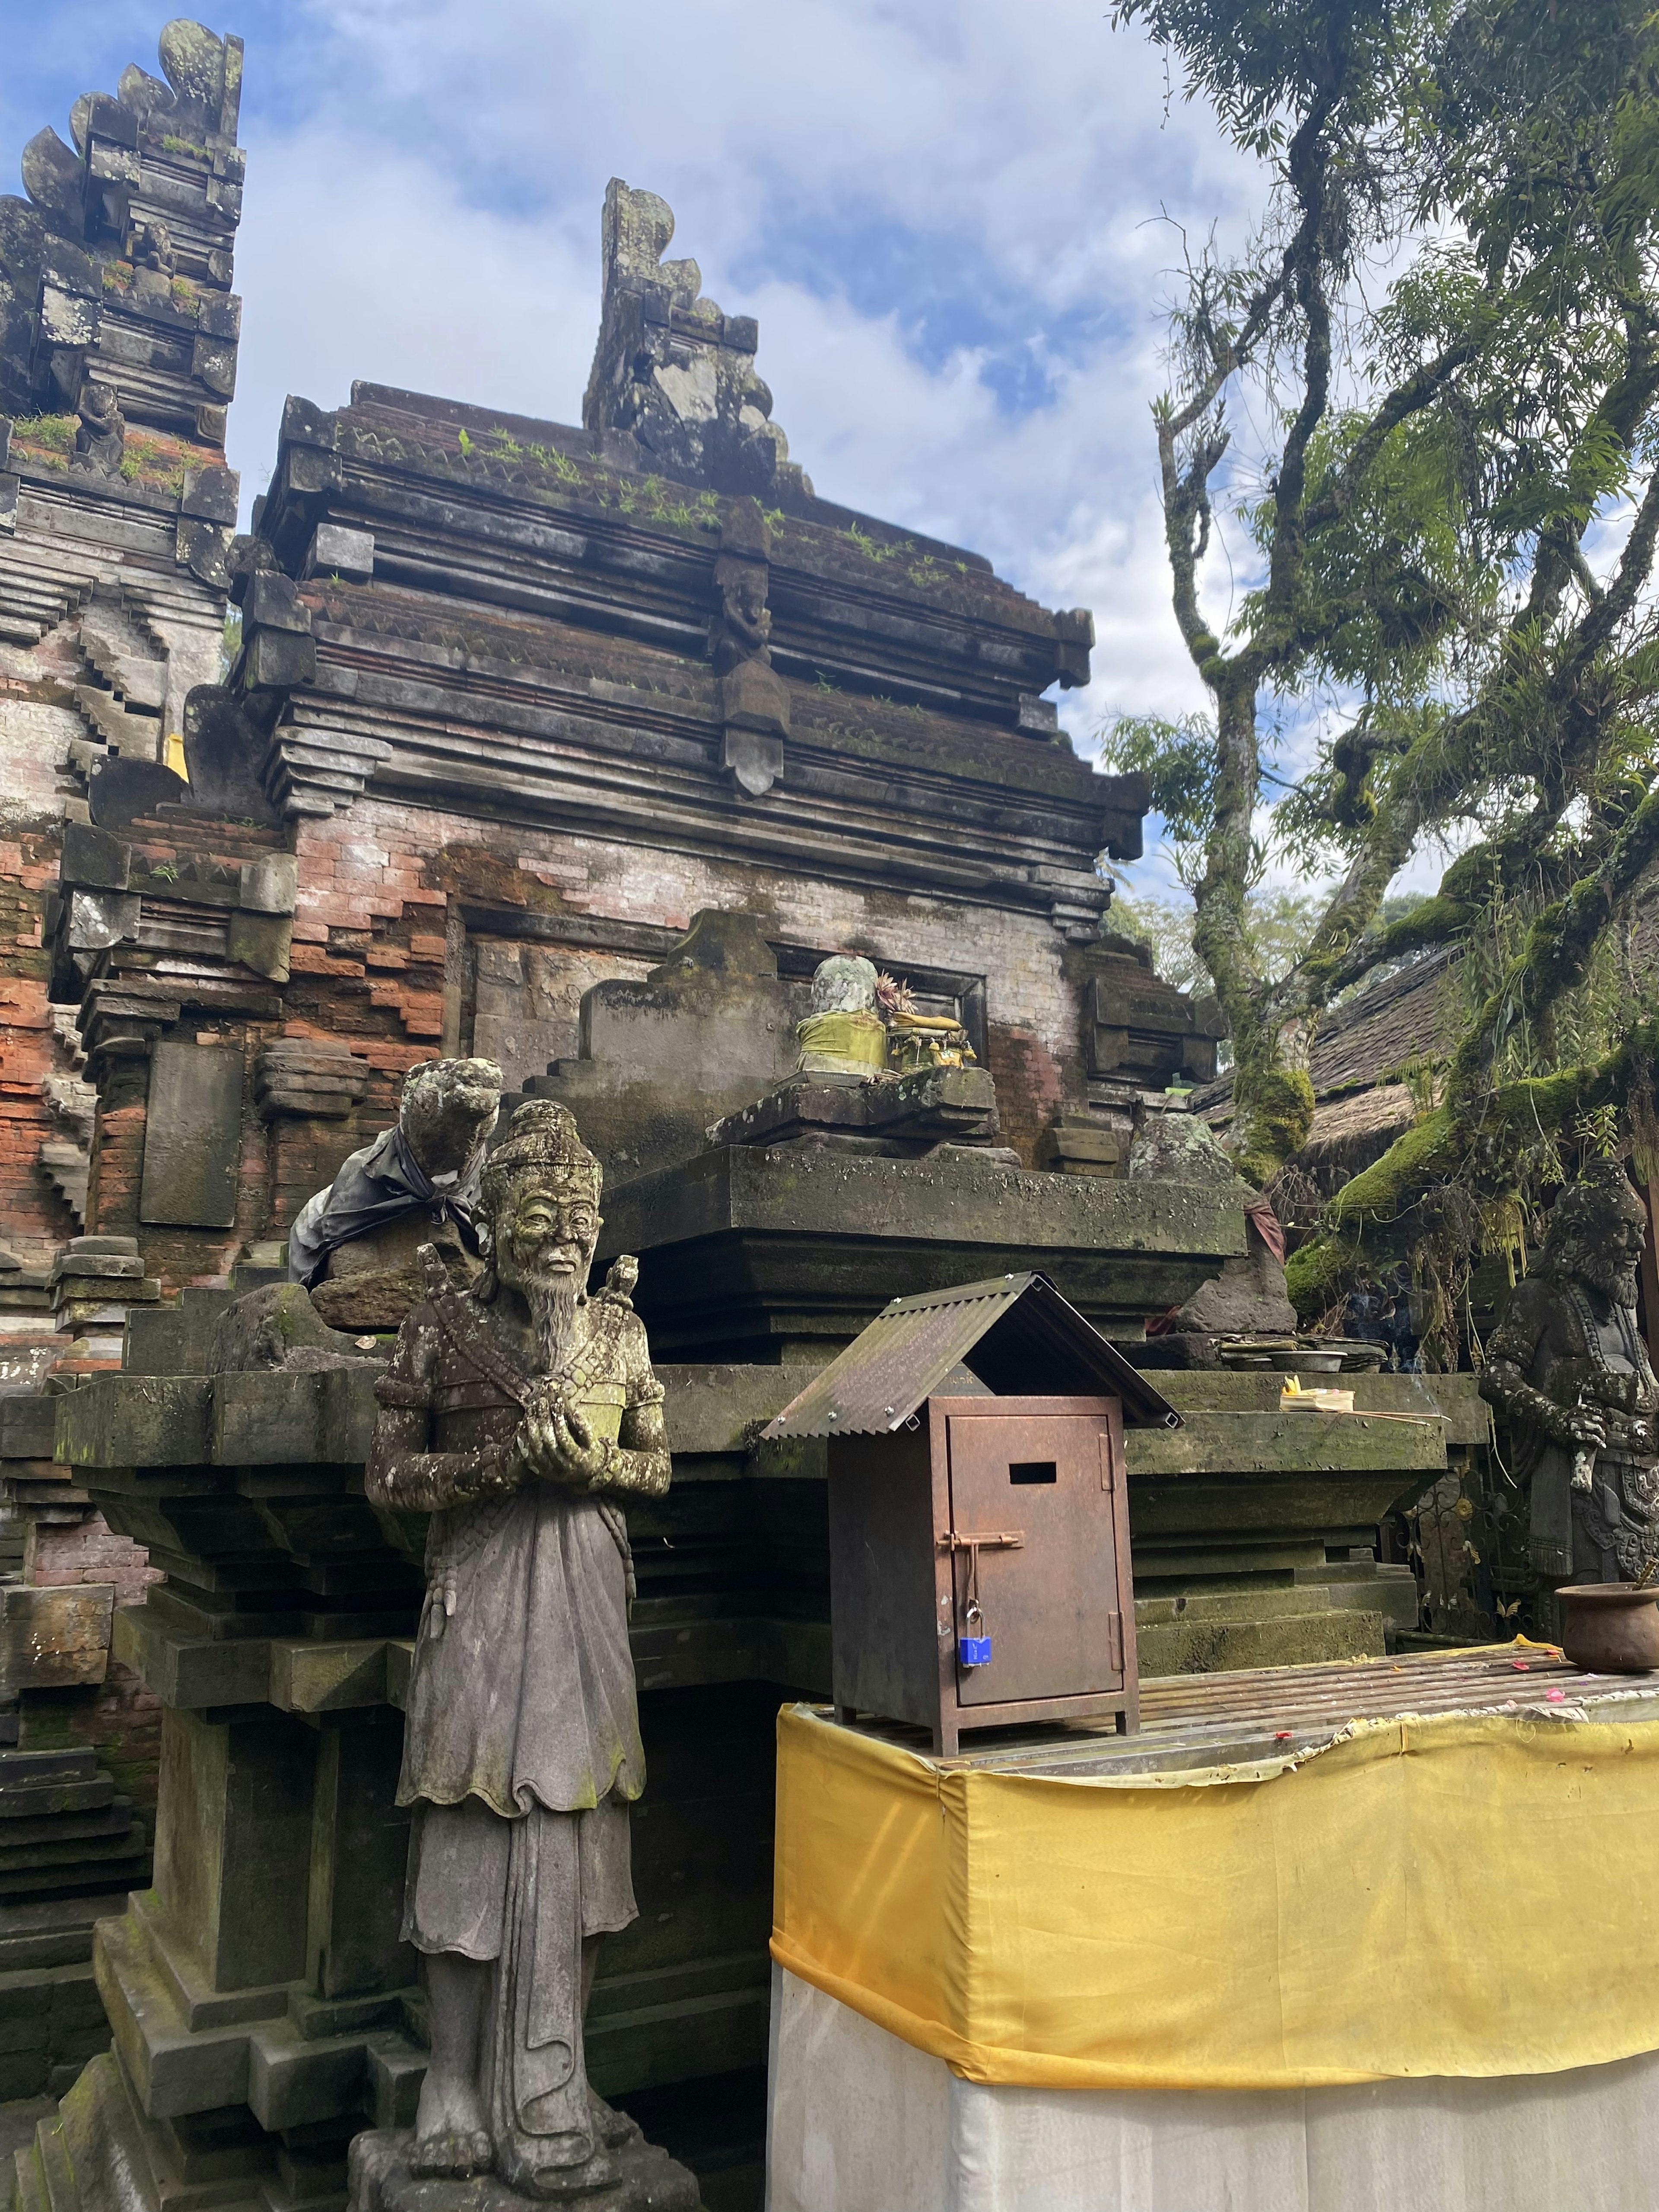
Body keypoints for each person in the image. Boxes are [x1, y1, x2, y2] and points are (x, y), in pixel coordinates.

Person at [365, 1099, 668, 2195]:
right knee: (464, 1817)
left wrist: (594, 1471)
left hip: (588, 1591)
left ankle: (563, 2070)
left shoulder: (622, 1332)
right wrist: (498, 1470)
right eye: (538, 1210)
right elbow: (388, 1479)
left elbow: (658, 1468)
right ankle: (451, 2079)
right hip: (481, 1593)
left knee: (588, 1828)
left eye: (579, 1216)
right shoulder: (439, 1326)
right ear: (492, 1219)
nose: (561, 1234)